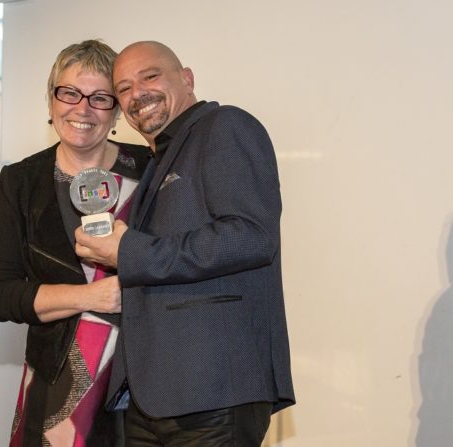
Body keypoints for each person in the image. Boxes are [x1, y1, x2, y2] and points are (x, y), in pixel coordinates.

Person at [74, 41, 295, 446]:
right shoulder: (163, 156)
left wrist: (127, 251)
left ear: (187, 78)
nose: (137, 93)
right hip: (153, 398)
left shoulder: (224, 126)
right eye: (123, 88)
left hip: (212, 390)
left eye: (150, 76)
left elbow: (250, 236)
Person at [0, 40, 150, 447]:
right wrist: (92, 296)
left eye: (99, 97)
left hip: (148, 384)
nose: (82, 108)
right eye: (69, 92)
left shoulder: (151, 169)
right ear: (52, 98)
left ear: (115, 110)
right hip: (59, 383)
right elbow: (0, 295)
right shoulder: (20, 183)